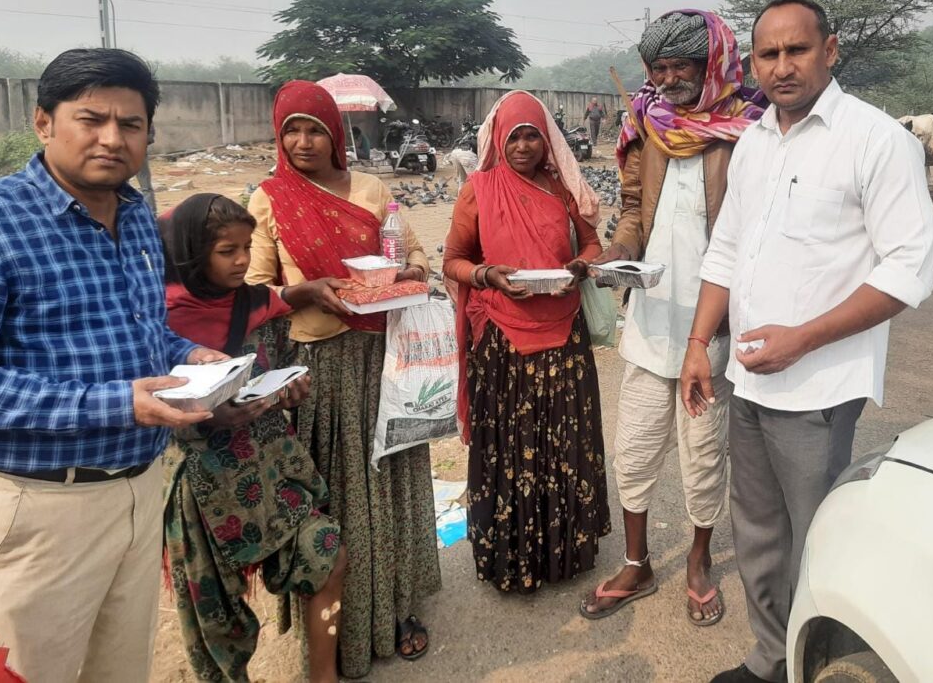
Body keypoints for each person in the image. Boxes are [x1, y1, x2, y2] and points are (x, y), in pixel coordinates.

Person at [681, 0, 933, 683]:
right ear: (753, 63)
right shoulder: (756, 140)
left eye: (797, 50)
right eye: (768, 54)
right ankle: (770, 660)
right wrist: (699, 343)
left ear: (830, 49)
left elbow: (909, 270)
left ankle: (810, 663)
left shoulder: (877, 140)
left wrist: (805, 338)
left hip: (821, 388)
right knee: (759, 534)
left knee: (819, 539)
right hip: (749, 378)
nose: (783, 66)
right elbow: (727, 250)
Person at [0, 48, 227, 683]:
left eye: (131, 125)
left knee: (117, 670)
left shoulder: (137, 216)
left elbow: (141, 330)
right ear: (43, 122)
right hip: (37, 507)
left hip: (136, 491)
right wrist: (116, 403)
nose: (112, 139)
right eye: (92, 119)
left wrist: (191, 357)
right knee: (27, 672)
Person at [246, 81, 440, 679]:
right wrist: (302, 291)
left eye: (316, 129)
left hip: (383, 360)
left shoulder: (371, 190)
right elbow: (251, 291)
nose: (304, 142)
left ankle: (399, 606)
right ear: (280, 136)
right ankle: (340, 624)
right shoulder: (269, 198)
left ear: (336, 134)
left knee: (390, 483)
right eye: (292, 131)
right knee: (337, 496)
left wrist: (399, 274)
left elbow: (417, 260)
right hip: (319, 372)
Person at [580, 10, 766, 624]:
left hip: (712, 325)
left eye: (679, 65)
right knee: (634, 448)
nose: (667, 78)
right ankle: (636, 564)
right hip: (651, 317)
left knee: (704, 452)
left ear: (710, 62)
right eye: (657, 68)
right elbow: (634, 212)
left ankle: (697, 559)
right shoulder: (647, 125)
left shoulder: (753, 129)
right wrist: (616, 256)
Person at [160, 193, 347, 683]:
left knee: (326, 551)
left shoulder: (249, 300)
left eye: (247, 246)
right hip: (203, 487)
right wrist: (209, 416)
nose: (243, 260)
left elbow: (285, 299)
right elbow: (152, 408)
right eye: (227, 251)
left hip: (268, 466)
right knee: (216, 617)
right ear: (190, 253)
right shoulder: (159, 321)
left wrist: (284, 388)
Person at [442, 90, 611, 594]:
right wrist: (489, 274)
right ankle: (511, 557)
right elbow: (452, 259)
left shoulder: (562, 191)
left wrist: (580, 267)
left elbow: (594, 244)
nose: (522, 145)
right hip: (504, 343)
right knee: (512, 449)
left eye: (532, 135)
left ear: (546, 139)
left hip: (564, 337)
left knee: (565, 442)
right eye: (513, 135)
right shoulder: (480, 188)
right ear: (498, 137)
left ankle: (566, 553)